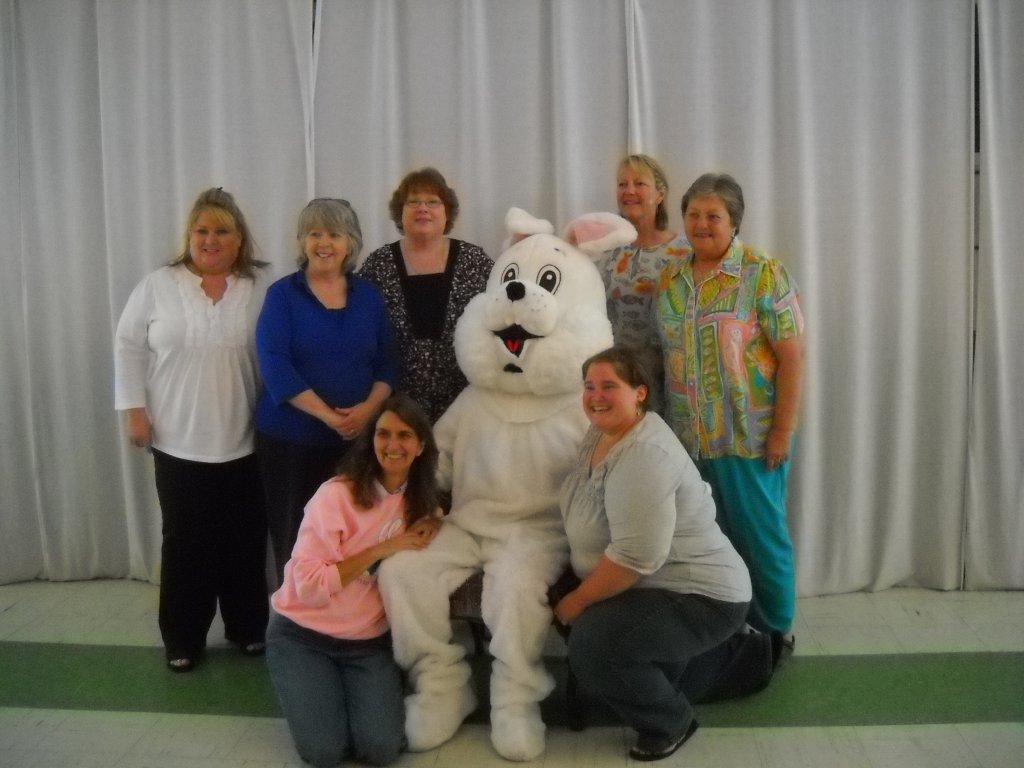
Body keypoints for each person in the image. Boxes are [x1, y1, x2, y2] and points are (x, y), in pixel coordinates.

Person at [554, 346, 753, 762]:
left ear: (640, 392)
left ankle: (671, 722)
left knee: (594, 646)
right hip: (654, 586)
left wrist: (577, 601)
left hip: (701, 596)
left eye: (609, 386)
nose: (596, 396)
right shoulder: (602, 432)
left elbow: (634, 559)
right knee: (586, 624)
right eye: (589, 386)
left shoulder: (645, 454)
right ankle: (690, 665)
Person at [114, 187, 270, 672]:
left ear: (239, 238)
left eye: (222, 230)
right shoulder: (159, 284)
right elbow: (127, 345)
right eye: (201, 230)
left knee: (244, 540)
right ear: (189, 236)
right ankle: (183, 638)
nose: (210, 239)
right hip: (177, 442)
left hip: (246, 440)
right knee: (186, 544)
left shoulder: (260, 288)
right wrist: (134, 410)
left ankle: (247, 627)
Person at [655, 172, 805, 647]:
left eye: (713, 216)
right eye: (693, 214)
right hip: (690, 441)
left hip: (749, 439)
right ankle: (730, 633)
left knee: (761, 542)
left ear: (734, 221)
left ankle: (776, 634)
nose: (701, 224)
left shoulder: (763, 273)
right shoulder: (672, 278)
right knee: (711, 544)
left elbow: (793, 358)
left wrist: (781, 432)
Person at [266, 394, 442, 768]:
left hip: (367, 644)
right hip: (304, 636)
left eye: (405, 435)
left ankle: (345, 696)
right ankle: (307, 687)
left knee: (381, 749)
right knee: (325, 752)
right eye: (383, 434)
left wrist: (434, 523)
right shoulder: (335, 495)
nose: (393, 445)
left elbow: (438, 519)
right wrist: (383, 548)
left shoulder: (420, 500)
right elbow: (308, 584)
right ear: (371, 440)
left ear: (421, 446)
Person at [256, 198, 396, 585]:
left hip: (357, 441)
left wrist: (367, 411)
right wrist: (329, 416)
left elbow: (388, 362)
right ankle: (296, 612)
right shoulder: (282, 296)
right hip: (290, 443)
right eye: (314, 234)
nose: (324, 243)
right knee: (296, 536)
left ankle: (351, 613)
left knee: (356, 536)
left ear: (351, 243)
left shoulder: (369, 297)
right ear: (302, 242)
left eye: (334, 234)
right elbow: (274, 365)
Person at [359, 168, 491, 423]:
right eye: (413, 202)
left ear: (447, 212)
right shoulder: (378, 264)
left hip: (466, 403)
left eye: (433, 202)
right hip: (396, 407)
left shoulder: (475, 261)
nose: (423, 208)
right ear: (400, 212)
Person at [599, 155, 688, 413]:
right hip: (619, 382)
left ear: (660, 194)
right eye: (622, 184)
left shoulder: (685, 252)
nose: (629, 191)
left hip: (671, 384)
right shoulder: (606, 250)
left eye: (639, 183)